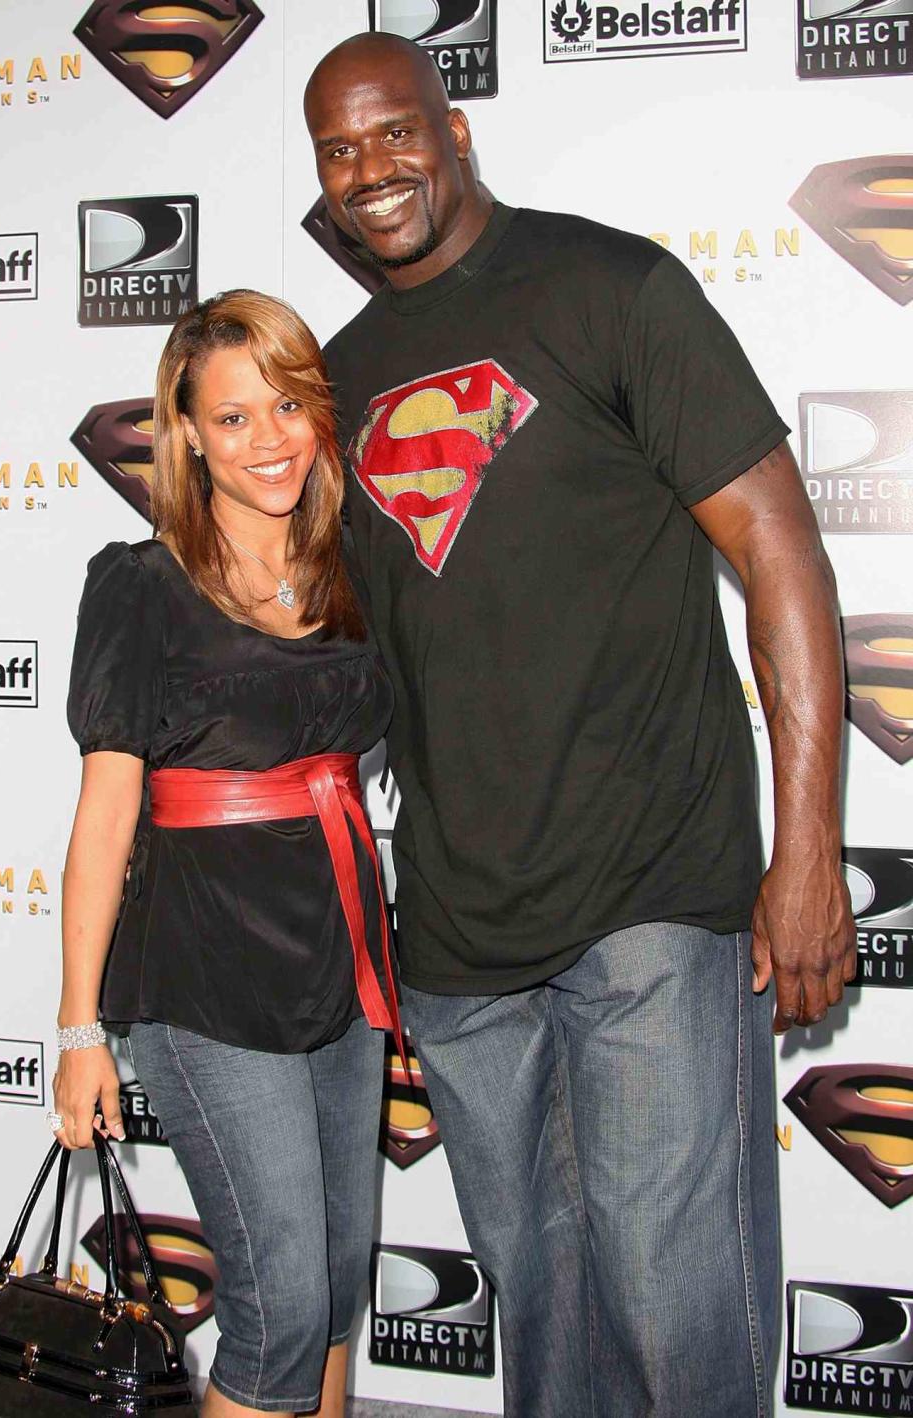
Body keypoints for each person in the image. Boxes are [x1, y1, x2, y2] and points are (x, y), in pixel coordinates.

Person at [304, 34, 856, 1418]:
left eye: (395, 131)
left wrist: (804, 855)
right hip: (462, 938)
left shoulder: (613, 289)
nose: (373, 168)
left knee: (679, 1316)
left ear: (457, 130)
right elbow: (360, 644)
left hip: (651, 899)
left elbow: (783, 555)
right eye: (339, 148)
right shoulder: (346, 372)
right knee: (543, 1326)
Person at [51, 289, 399, 1418]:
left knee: (337, 1287)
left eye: (290, 404)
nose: (271, 438)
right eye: (235, 416)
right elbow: (106, 815)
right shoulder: (140, 584)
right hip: (204, 980)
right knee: (279, 1305)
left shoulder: (350, 571)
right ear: (189, 432)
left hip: (338, 969)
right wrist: (77, 1027)